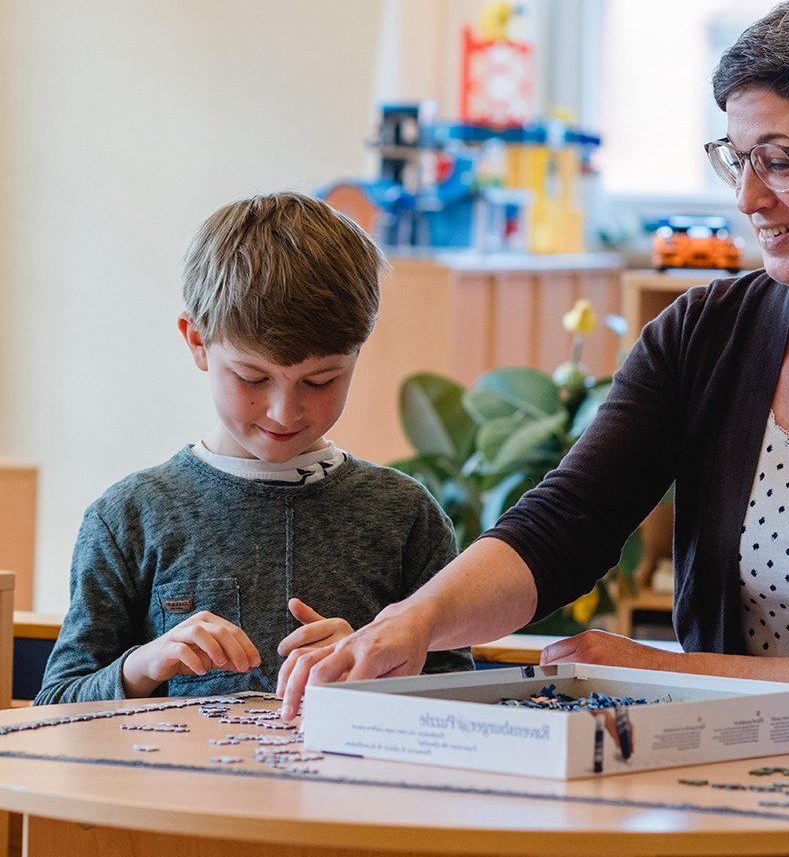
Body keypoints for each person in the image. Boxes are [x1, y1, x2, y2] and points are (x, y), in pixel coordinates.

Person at [278, 0, 789, 732]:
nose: (749, 199)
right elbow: (564, 528)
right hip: (727, 772)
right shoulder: (702, 332)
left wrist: (665, 675)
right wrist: (411, 621)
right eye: (738, 158)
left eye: (782, 160)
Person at [35, 192, 471, 705]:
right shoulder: (128, 517)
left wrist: (380, 665)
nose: (285, 412)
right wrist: (144, 664)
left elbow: (459, 696)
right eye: (252, 376)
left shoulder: (406, 516)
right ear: (197, 341)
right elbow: (57, 705)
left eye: (320, 380)